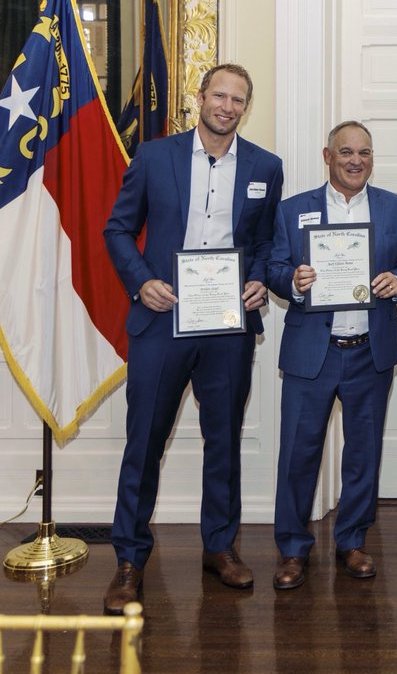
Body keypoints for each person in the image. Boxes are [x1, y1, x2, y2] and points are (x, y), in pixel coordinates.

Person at [102, 63, 284, 614]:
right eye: (219, 95)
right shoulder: (155, 156)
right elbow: (117, 229)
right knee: (144, 443)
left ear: (245, 108)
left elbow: (265, 242)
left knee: (223, 439)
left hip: (227, 326)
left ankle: (219, 547)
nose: (227, 106)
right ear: (200, 97)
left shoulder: (265, 167)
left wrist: (257, 279)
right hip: (162, 321)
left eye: (238, 100)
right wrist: (141, 283)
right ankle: (130, 560)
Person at [266, 120, 397, 590]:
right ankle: (292, 549)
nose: (356, 161)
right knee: (297, 454)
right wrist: (292, 281)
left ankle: (351, 541)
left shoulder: (395, 208)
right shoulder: (293, 210)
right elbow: (273, 265)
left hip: (370, 351)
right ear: (327, 156)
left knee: (363, 455)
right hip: (314, 350)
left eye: (365, 153)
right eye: (346, 152)